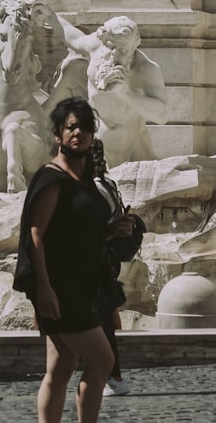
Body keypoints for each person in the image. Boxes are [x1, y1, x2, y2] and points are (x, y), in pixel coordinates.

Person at [14, 98, 115, 422]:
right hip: (60, 287)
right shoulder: (52, 178)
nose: (79, 134)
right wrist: (43, 289)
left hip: (80, 284)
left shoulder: (81, 180)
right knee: (102, 361)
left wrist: (115, 229)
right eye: (72, 127)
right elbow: (35, 236)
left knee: (60, 369)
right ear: (58, 134)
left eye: (85, 128)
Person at [37, 7, 168, 165]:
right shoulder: (96, 47)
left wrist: (124, 92)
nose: (114, 54)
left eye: (122, 50)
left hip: (126, 142)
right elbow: (72, 36)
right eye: (111, 47)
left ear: (134, 47)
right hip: (91, 134)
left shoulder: (146, 69)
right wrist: (49, 15)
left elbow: (162, 115)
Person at [89, 139, 144, 399]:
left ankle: (112, 377)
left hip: (97, 262)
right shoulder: (108, 185)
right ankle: (110, 376)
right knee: (104, 322)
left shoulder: (94, 189)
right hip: (106, 262)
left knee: (100, 325)